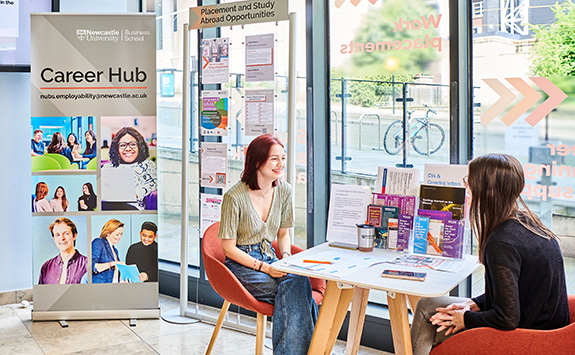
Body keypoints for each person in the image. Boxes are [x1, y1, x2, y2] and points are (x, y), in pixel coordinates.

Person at [410, 154, 570, 355]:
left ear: (487, 191)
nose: (466, 187)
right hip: (548, 329)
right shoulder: (528, 221)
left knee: (430, 317)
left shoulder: (501, 243)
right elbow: (517, 291)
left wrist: (465, 319)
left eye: (469, 182)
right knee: (429, 306)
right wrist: (474, 303)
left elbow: (507, 318)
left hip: (528, 337)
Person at [219, 134, 317, 355]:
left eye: (283, 158)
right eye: (274, 159)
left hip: (272, 257)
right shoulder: (234, 197)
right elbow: (228, 249)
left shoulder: (285, 190)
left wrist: (285, 256)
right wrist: (265, 268)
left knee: (297, 282)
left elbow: (283, 234)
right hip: (242, 263)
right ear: (257, 161)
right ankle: (317, 350)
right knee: (299, 294)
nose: (281, 164)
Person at [103, 126, 157, 210]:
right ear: (117, 148)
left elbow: (155, 183)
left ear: (140, 146)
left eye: (132, 144)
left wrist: (138, 192)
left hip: (133, 208)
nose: (128, 149)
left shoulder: (148, 165)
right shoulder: (108, 167)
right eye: (123, 145)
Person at [38, 218, 87, 284]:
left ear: (74, 236)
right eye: (57, 235)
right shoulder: (46, 267)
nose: (62, 238)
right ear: (54, 238)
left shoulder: (87, 264)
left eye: (66, 233)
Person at [92, 219, 126, 283]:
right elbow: (91, 266)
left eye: (121, 234)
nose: (120, 237)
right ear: (108, 233)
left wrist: (122, 281)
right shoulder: (98, 242)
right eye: (117, 234)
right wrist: (112, 263)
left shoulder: (115, 251)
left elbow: (114, 275)